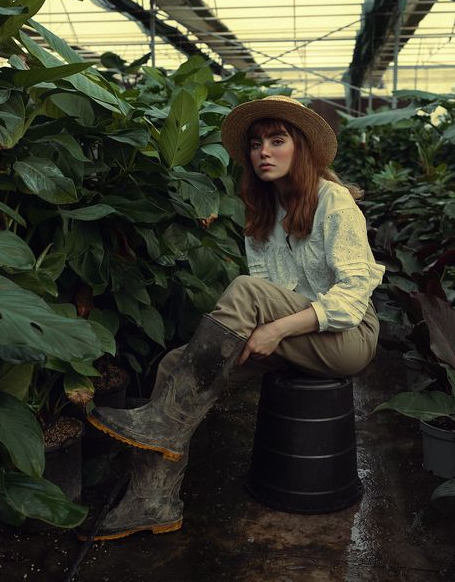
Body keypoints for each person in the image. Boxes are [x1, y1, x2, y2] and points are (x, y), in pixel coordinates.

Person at [83, 95, 385, 541]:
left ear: (301, 149)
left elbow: (352, 296)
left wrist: (277, 328)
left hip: (346, 335)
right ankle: (151, 503)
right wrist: (267, 329)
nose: (264, 151)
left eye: (277, 141)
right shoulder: (262, 212)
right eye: (257, 144)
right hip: (291, 334)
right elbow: (267, 286)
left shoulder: (332, 201)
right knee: (173, 364)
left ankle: (162, 425)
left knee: (244, 290)